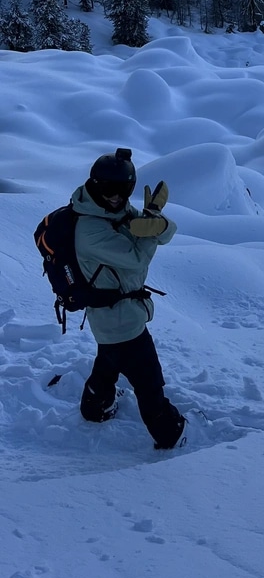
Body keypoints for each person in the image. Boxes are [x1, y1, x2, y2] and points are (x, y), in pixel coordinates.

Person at [73, 147, 185, 450]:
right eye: (109, 190)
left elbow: (161, 233)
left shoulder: (115, 210)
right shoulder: (90, 230)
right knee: (149, 382)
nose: (116, 198)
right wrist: (151, 229)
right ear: (95, 186)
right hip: (120, 317)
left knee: (109, 359)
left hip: (114, 314)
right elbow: (137, 259)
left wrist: (157, 221)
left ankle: (95, 408)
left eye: (124, 191)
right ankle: (170, 431)